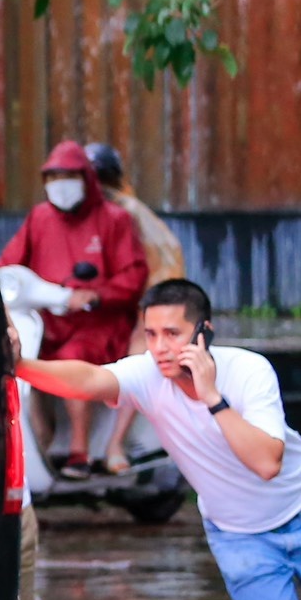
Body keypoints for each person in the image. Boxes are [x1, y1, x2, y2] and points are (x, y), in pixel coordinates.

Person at [18, 279, 301, 600]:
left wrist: (212, 396)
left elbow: (267, 462)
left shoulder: (249, 370)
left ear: (204, 333)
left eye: (172, 334)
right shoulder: (147, 373)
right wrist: (21, 366)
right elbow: (90, 380)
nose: (160, 348)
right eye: (150, 334)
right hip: (239, 536)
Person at [0, 140, 145, 478]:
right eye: (53, 176)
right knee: (19, 362)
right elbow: (9, 261)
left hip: (99, 324)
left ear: (86, 178)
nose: (60, 184)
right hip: (49, 319)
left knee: (72, 356)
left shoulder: (115, 219)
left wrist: (96, 294)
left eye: (68, 176)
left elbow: (134, 275)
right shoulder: (40, 217)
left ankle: (80, 450)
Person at [89, 142, 189, 476]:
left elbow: (157, 265)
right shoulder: (88, 212)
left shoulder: (124, 211)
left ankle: (115, 442)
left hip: (145, 303)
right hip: (110, 300)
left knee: (140, 354)